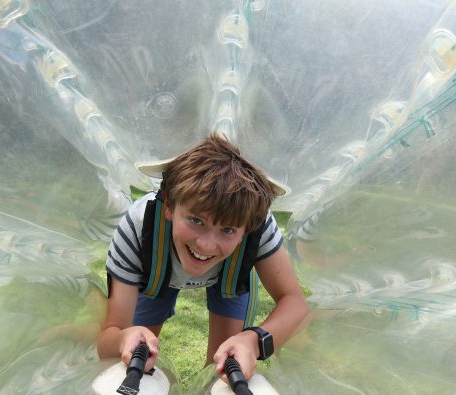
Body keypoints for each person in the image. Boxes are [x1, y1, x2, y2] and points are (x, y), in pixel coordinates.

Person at [97, 133, 308, 382]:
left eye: (228, 230)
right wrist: (122, 338)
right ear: (168, 207)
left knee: (221, 372)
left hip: (227, 277)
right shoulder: (138, 227)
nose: (206, 245)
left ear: (248, 228)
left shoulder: (259, 226)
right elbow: (108, 339)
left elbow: (294, 301)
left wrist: (253, 341)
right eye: (196, 220)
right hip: (154, 272)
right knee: (131, 358)